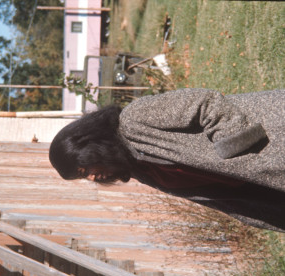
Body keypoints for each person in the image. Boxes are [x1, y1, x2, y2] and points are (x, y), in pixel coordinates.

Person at [49, 88, 285, 232]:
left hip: (272, 139)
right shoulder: (143, 172)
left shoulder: (133, 120)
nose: (91, 177)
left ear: (86, 143)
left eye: (83, 170)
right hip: (267, 183)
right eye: (84, 178)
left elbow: (204, 103)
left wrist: (236, 148)